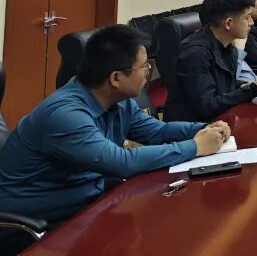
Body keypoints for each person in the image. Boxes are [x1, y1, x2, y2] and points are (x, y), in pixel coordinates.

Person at [0, 25, 228, 225]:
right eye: (144, 67)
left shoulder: (117, 100)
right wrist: (196, 146)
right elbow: (121, 162)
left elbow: (156, 131)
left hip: (86, 203)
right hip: (39, 222)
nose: (148, 73)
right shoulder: (65, 115)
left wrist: (203, 128)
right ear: (116, 78)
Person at [164, 0, 257, 122]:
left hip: (221, 121)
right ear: (228, 23)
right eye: (247, 17)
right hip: (194, 128)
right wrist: (252, 90)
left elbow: (225, 85)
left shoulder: (227, 45)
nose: (251, 22)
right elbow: (207, 106)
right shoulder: (195, 54)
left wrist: (254, 85)